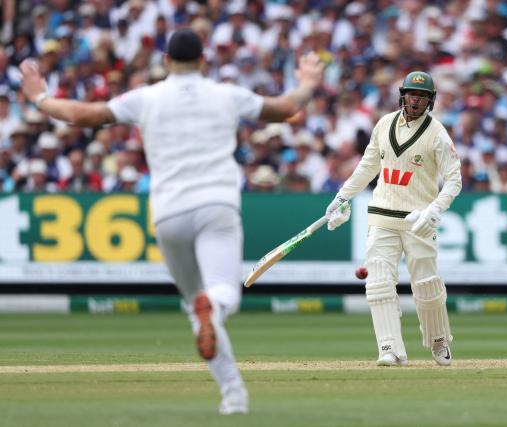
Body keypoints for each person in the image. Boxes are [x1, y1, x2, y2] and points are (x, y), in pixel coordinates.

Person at [19, 28, 324, 415]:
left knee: (195, 300)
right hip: (217, 205)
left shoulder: (146, 97)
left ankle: (234, 396)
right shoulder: (226, 93)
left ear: (166, 61)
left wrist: (40, 97)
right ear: (202, 60)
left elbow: (84, 115)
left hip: (168, 213)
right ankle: (213, 316)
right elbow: (284, 108)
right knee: (221, 295)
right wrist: (308, 82)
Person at [325, 71, 462, 367]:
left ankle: (439, 342)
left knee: (426, 285)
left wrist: (434, 210)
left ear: (430, 100)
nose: (416, 100)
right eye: (412, 94)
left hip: (418, 220)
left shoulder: (437, 134)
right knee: (377, 281)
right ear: (403, 95)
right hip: (382, 216)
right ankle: (389, 348)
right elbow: (366, 167)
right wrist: (342, 197)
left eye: (422, 96)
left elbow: (454, 181)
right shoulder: (384, 124)